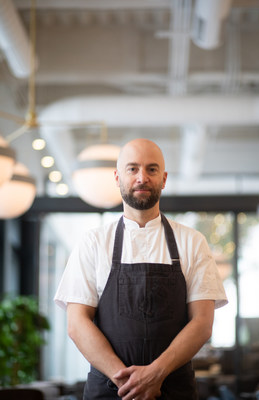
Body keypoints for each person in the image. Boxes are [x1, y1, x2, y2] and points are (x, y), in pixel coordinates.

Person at [54, 138, 228, 400]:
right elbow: (77, 323)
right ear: (117, 177)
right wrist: (128, 382)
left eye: (152, 169)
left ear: (164, 178)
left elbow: (202, 323)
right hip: (110, 391)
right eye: (132, 169)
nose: (142, 177)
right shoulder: (93, 243)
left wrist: (156, 374)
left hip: (173, 390)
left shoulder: (192, 242)